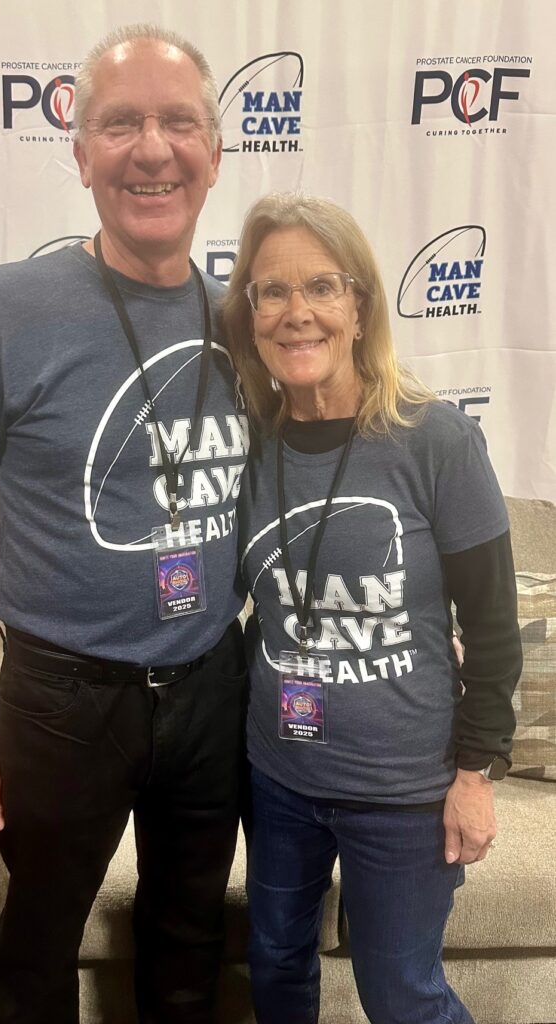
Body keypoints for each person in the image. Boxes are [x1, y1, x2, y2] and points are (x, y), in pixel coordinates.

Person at [0, 24, 249, 1024]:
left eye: (177, 122)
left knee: (188, 942)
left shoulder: (248, 323)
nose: (151, 149)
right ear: (77, 153)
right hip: (64, 702)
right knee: (36, 946)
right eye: (120, 124)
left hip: (209, 687)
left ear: (214, 152)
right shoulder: (1, 310)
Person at [223, 192, 522, 1024]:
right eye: (271, 292)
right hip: (278, 779)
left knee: (403, 997)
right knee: (277, 968)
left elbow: (494, 631)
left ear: (359, 306)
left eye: (321, 286)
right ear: (250, 315)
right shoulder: (249, 447)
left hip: (405, 790)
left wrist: (474, 775)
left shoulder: (434, 440)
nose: (297, 313)